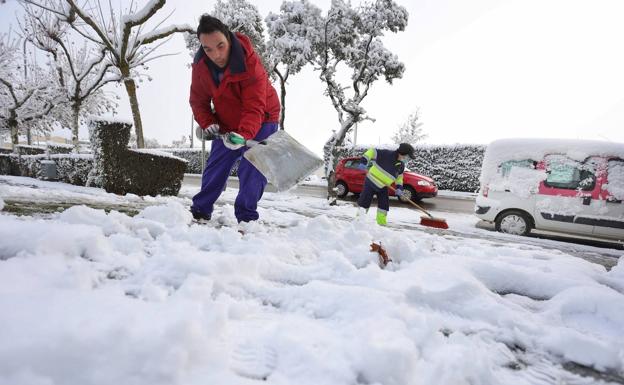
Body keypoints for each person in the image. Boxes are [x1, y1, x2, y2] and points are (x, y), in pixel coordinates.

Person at [189, 15, 280, 223]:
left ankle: (246, 219)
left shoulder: (250, 64)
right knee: (217, 165)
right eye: (208, 49)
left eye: (220, 46)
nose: (216, 54)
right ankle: (200, 211)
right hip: (226, 118)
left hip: (262, 117)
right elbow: (198, 101)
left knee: (252, 167)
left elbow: (254, 106)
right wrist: (208, 122)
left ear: (228, 38)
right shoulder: (201, 67)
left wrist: (243, 134)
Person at [357, 143, 416, 225]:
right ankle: (358, 222)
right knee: (364, 203)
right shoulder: (386, 154)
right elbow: (372, 151)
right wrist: (364, 162)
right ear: (402, 153)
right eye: (408, 156)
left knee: (384, 206)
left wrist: (399, 188)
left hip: (383, 186)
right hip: (371, 182)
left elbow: (399, 178)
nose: (408, 159)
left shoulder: (401, 165)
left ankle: (381, 225)